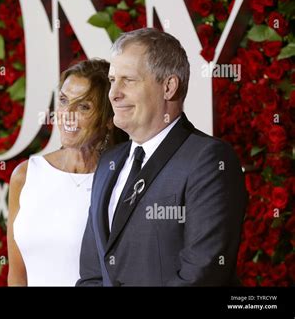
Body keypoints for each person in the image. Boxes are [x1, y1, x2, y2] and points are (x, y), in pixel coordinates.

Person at [77, 28, 248, 286]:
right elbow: (92, 272)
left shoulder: (209, 160)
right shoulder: (109, 162)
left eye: (128, 80)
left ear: (168, 86)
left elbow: (202, 274)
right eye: (113, 80)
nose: (114, 93)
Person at [7, 59, 127, 286]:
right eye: (63, 101)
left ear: (109, 119)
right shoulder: (25, 176)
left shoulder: (122, 180)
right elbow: (17, 275)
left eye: (83, 106)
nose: (67, 114)